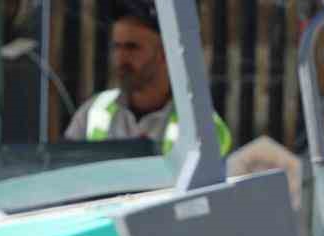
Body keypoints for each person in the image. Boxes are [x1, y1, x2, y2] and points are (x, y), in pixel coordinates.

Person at [63, 0, 233, 157]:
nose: (120, 58)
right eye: (116, 47)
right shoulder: (93, 111)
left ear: (166, 52)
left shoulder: (203, 126)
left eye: (132, 47)